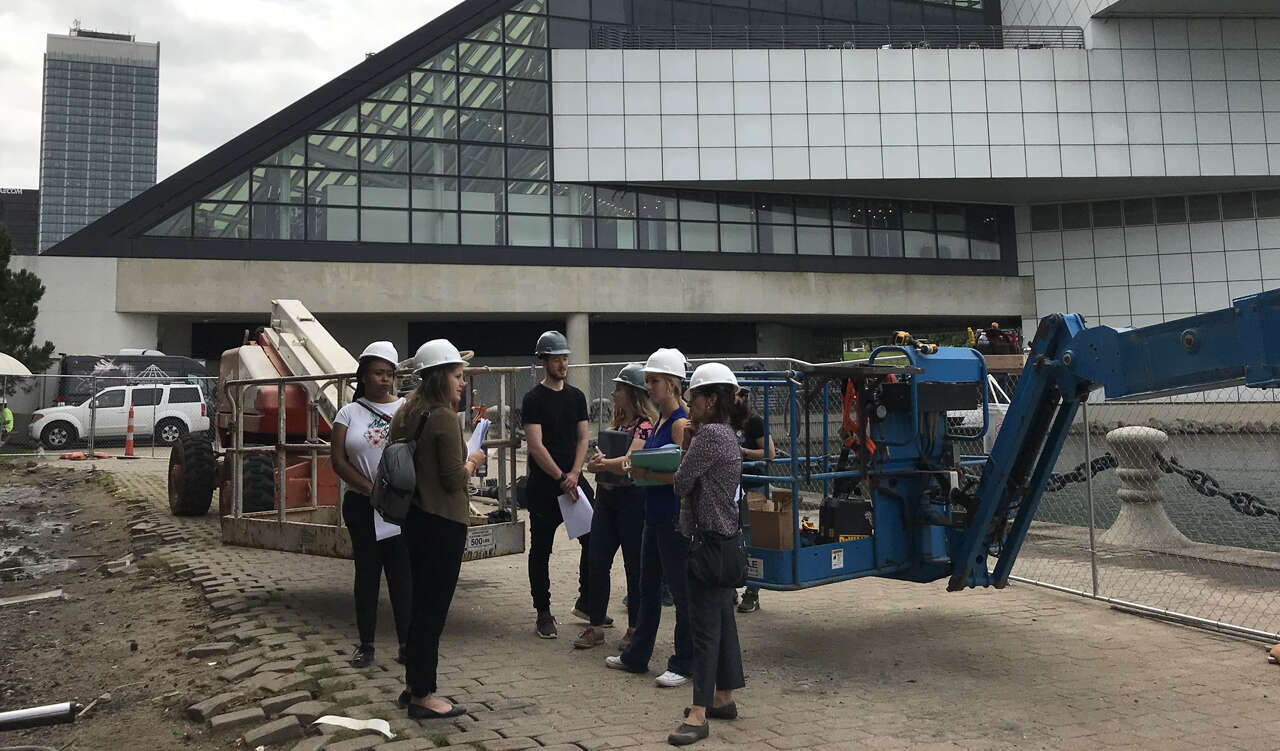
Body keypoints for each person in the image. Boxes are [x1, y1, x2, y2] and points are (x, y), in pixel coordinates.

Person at [389, 338, 487, 718]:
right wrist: (474, 460)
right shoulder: (444, 417)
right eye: (458, 376)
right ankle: (423, 695)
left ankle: (413, 683)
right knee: (433, 610)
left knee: (418, 607)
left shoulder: (406, 411)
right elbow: (451, 480)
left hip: (413, 520)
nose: (463, 383)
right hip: (442, 523)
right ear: (441, 377)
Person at [667, 363, 748, 746]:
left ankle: (699, 714)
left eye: (693, 396)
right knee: (723, 619)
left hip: (706, 543)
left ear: (711, 400)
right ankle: (723, 696)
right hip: (727, 541)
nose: (688, 403)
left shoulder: (707, 436)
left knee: (704, 629)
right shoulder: (727, 433)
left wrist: (687, 443)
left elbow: (681, 482)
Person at [605, 348, 694, 688]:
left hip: (672, 518)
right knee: (647, 588)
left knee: (681, 592)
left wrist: (644, 472)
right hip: (653, 515)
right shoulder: (659, 420)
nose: (650, 388)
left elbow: (681, 477)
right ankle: (637, 654)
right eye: (648, 382)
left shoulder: (679, 424)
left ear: (672, 384)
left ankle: (684, 662)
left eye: (655, 381)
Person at [330, 342, 412, 668]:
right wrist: (371, 489)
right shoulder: (348, 413)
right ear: (363, 375)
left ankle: (407, 644)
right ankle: (366, 644)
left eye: (390, 374)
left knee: (402, 575)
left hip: (400, 509)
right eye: (378, 373)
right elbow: (337, 460)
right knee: (367, 574)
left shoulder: (405, 410)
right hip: (361, 506)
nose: (385, 380)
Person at [523, 330, 596, 639]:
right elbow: (536, 446)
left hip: (574, 481)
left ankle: (588, 599)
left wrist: (576, 473)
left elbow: (583, 437)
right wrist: (560, 477)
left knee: (593, 540)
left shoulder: (577, 397)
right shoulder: (533, 399)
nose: (563, 364)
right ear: (544, 362)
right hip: (544, 486)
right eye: (557, 359)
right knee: (541, 549)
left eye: (565, 358)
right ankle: (543, 612)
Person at [580, 363, 655, 650]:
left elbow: (631, 463)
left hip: (631, 502)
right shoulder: (617, 424)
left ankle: (635, 626)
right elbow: (602, 462)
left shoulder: (645, 428)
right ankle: (595, 624)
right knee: (597, 560)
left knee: (634, 564)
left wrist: (604, 464)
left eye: (619, 389)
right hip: (607, 499)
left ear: (633, 394)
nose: (613, 393)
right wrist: (595, 465)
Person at [734, 387, 774, 615]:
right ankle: (730, 586)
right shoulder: (725, 420)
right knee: (730, 537)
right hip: (731, 488)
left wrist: (743, 451)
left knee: (751, 540)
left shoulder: (754, 421)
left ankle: (753, 592)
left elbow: (769, 453)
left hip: (753, 488)